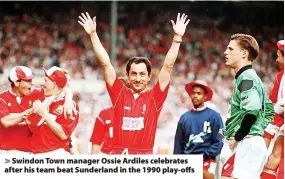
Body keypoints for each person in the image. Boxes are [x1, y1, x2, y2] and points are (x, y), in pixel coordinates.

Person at [78, 12, 190, 154]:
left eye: (142, 74)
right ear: (127, 76)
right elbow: (105, 64)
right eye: (134, 74)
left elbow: (167, 67)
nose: (138, 78)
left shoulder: (155, 97)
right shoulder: (119, 94)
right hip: (116, 161)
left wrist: (177, 38)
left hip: (142, 162)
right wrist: (93, 34)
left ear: (149, 77)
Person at [220, 34, 274, 179]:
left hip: (247, 143)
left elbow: (252, 110)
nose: (225, 52)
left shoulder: (246, 77)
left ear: (244, 53)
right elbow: (269, 111)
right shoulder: (250, 77)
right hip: (251, 142)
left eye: (230, 49)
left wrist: (238, 136)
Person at [0, 66, 74, 154]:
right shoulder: (2, 98)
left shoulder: (35, 93)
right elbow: (6, 121)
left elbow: (58, 88)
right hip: (5, 152)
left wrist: (68, 98)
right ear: (16, 83)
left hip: (28, 153)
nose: (31, 84)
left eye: (31, 80)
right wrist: (31, 111)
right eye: (27, 81)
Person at [174, 80, 224, 179]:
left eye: (199, 93)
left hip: (207, 161)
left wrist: (203, 156)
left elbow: (218, 142)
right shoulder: (184, 117)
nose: (195, 96)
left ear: (205, 96)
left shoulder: (214, 116)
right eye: (193, 93)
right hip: (187, 161)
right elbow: (178, 145)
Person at [26, 66, 79, 155]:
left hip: (55, 155)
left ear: (54, 84)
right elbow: (31, 125)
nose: (43, 84)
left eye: (46, 80)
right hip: (35, 154)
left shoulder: (70, 106)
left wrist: (44, 114)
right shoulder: (41, 98)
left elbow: (64, 134)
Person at [261, 39, 284, 179]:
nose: (277, 59)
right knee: (272, 158)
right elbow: (273, 111)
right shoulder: (280, 77)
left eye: (279, 55)